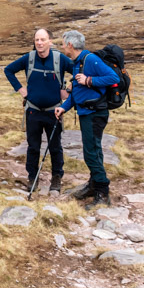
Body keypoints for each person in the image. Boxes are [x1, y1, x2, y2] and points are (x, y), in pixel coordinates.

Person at [54, 30, 120, 208]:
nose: (61, 47)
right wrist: (64, 108)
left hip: (94, 114)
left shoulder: (90, 60)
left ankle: (102, 191)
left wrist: (89, 80)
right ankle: (93, 184)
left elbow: (113, 77)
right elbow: (76, 93)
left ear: (70, 45)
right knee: (93, 150)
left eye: (62, 44)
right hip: (86, 113)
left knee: (91, 153)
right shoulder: (77, 63)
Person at [4, 28, 70, 193]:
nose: (39, 43)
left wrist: (69, 89)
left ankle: (56, 179)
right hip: (33, 111)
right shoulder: (29, 58)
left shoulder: (59, 59)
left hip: (54, 111)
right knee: (33, 146)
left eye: (43, 39)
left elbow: (79, 71)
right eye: (37, 40)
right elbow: (8, 70)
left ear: (50, 42)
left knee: (55, 147)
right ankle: (32, 178)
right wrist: (20, 89)